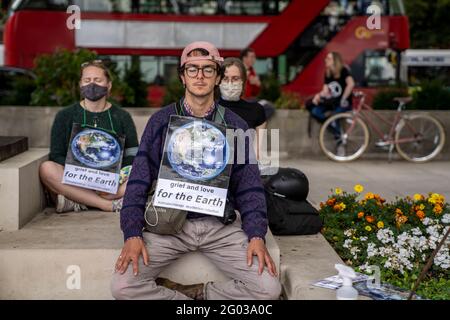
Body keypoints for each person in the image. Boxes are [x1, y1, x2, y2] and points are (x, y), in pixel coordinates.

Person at [111, 41, 281, 300]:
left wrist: (257, 234)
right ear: (182, 77)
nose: (200, 76)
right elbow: (138, 179)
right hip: (171, 224)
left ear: (218, 78)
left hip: (220, 226)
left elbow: (249, 186)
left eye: (208, 70)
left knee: (269, 289)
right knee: (123, 287)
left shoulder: (236, 125)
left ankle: (202, 294)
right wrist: (132, 233)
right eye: (192, 69)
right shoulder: (161, 121)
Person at [39, 60, 139, 213]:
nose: (92, 84)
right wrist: (82, 172)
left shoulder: (122, 116)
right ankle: (105, 204)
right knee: (47, 169)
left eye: (98, 80)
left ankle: (78, 200)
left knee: (146, 169)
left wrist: (116, 177)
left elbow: (132, 153)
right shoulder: (65, 115)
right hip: (77, 179)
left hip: (112, 181)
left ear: (109, 85)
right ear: (80, 84)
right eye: (87, 80)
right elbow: (56, 154)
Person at [218, 57, 267, 160]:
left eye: (235, 79)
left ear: (243, 81)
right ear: (218, 81)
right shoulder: (208, 109)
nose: (230, 83)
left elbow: (257, 154)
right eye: (225, 79)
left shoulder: (256, 111)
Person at [306, 51, 355, 123]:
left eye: (328, 58)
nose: (325, 60)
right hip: (332, 103)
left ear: (335, 61)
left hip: (344, 103)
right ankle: (328, 125)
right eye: (326, 58)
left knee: (333, 119)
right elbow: (325, 91)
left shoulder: (343, 70)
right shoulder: (327, 73)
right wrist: (318, 96)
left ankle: (338, 133)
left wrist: (343, 99)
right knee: (314, 111)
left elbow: (351, 84)